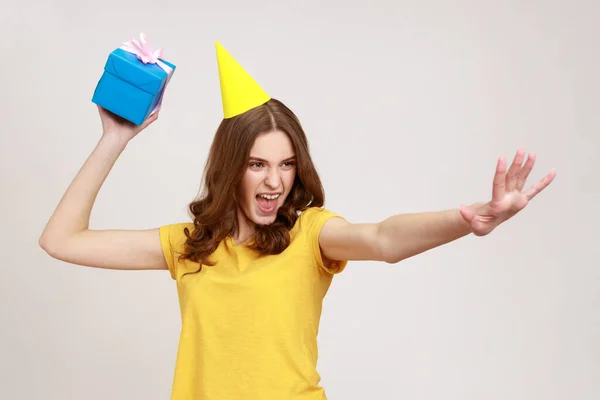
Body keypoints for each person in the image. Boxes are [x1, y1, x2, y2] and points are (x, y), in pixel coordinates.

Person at [39, 42, 556, 400]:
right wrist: (114, 138)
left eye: (286, 164)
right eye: (257, 164)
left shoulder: (311, 234)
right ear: (230, 168)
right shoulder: (189, 246)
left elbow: (382, 239)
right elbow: (61, 240)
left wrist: (468, 219)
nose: (274, 181)